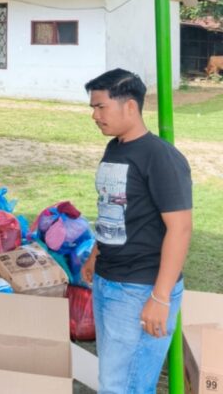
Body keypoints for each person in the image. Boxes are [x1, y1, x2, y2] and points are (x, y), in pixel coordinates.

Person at [81, 69, 192, 393]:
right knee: (115, 379)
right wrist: (95, 254)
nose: (94, 116)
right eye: (92, 107)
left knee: (124, 386)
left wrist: (159, 298)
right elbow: (115, 209)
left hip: (140, 288)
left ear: (130, 106)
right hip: (110, 279)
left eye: (100, 107)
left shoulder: (160, 157)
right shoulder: (116, 148)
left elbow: (181, 229)